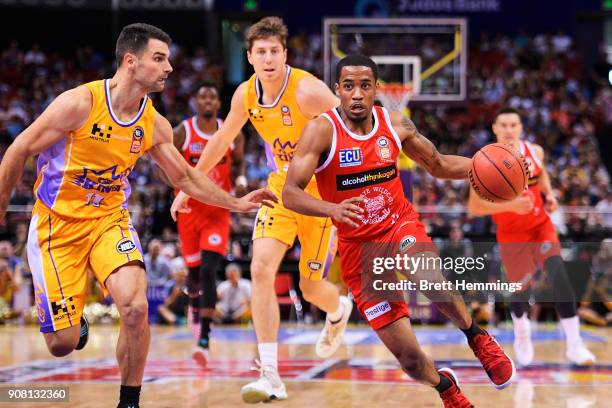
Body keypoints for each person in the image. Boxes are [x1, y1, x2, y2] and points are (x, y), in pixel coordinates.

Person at [0, 23, 276, 408]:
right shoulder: (79, 104)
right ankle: (72, 323)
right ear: (131, 61)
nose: (169, 68)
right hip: (56, 224)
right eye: (159, 58)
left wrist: (236, 202)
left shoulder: (153, 123)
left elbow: (185, 177)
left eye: (168, 59)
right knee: (61, 345)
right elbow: (17, 149)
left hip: (109, 220)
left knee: (136, 307)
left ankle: (129, 401)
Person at [283, 54, 515, 408]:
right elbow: (290, 192)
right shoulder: (320, 130)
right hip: (358, 249)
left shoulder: (395, 124)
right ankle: (445, 388)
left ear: (376, 89)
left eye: (364, 85)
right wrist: (331, 209)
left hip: (398, 224)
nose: (357, 94)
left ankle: (477, 336)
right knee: (409, 360)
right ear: (338, 91)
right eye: (348, 86)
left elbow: (439, 164)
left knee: (428, 275)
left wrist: (493, 168)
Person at [170, 17, 352, 403]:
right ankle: (270, 374)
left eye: (275, 51)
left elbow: (355, 126)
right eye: (261, 52)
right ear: (250, 57)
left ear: (285, 55)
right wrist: (189, 186)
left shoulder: (308, 91)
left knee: (310, 286)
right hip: (280, 189)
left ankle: (338, 310)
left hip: (320, 194)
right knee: (260, 268)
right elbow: (221, 140)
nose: (268, 58)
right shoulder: (245, 95)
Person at [467, 107, 596, 366]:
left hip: (541, 227)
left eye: (513, 125)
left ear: (521, 127)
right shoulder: (483, 161)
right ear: (494, 128)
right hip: (512, 234)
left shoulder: (535, 151)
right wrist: (511, 206)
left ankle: (574, 344)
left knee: (559, 274)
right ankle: (522, 333)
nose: (508, 130)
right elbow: (474, 207)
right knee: (521, 292)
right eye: (503, 125)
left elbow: (542, 175)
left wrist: (550, 196)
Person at [170, 81, 245, 367]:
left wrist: (238, 182)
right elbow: (165, 164)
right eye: (202, 95)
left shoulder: (231, 132)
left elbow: (238, 163)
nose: (207, 100)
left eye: (212, 96)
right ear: (196, 102)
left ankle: (204, 337)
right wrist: (177, 190)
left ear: (218, 104)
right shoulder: (182, 132)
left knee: (210, 271)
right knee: (194, 274)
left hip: (217, 210)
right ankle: (193, 307)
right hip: (189, 212)